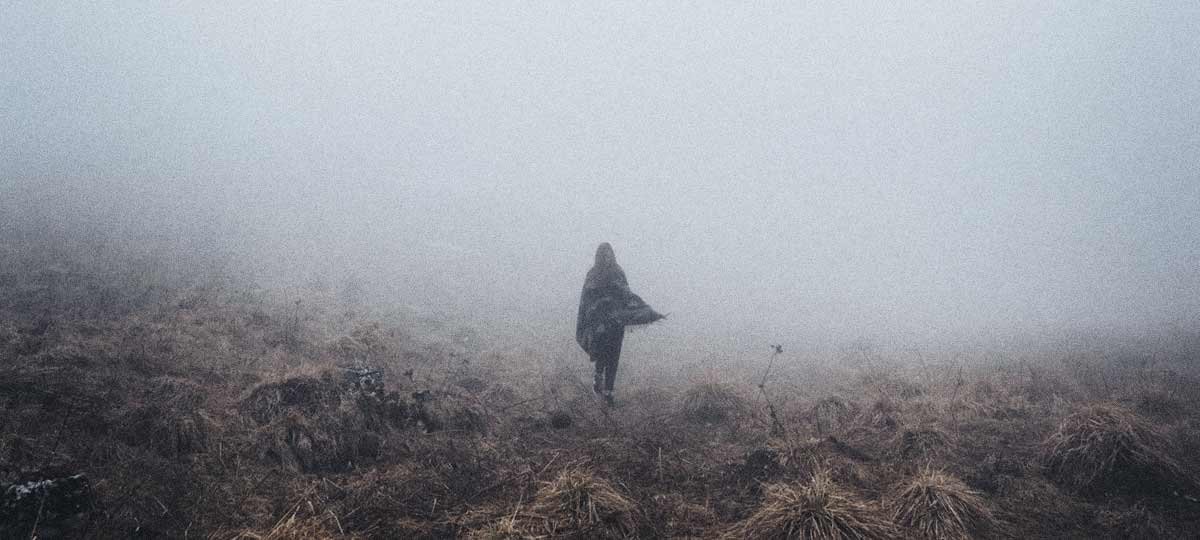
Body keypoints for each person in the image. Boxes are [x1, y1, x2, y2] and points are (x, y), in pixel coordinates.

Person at [575, 242, 631, 406]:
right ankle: (598, 376)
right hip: (599, 324)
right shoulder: (593, 274)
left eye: (609, 255)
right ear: (599, 256)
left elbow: (626, 293)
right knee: (602, 354)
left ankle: (608, 394)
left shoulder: (618, 272)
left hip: (616, 323)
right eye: (604, 255)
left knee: (614, 357)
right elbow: (587, 297)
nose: (607, 258)